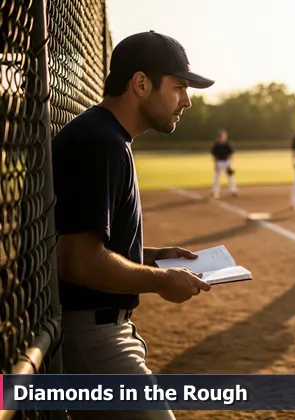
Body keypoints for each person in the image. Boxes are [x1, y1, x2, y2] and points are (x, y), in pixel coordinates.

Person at [51, 30, 214, 420]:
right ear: (141, 83)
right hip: (92, 336)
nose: (187, 101)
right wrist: (162, 281)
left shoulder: (105, 135)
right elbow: (78, 261)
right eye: (179, 87)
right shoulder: (101, 142)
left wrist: (154, 257)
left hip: (97, 328)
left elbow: (84, 242)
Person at [210, 129, 237, 198]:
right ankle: (215, 191)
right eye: (222, 136)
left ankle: (233, 190)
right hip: (219, 162)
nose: (223, 137)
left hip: (226, 162)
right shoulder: (216, 145)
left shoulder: (227, 144)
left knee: (230, 177)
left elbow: (231, 154)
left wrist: (230, 163)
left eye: (224, 136)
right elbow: (214, 155)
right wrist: (215, 164)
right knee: (217, 177)